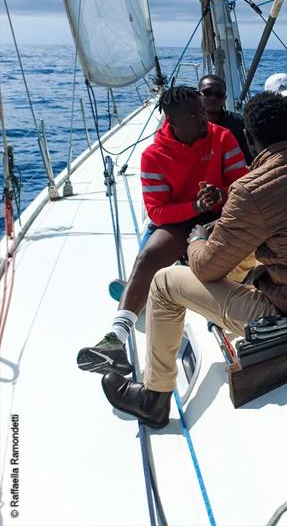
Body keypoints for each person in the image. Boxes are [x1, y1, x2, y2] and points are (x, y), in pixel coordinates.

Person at [100, 92, 287, 428]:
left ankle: (153, 398)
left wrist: (197, 239)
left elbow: (205, 266)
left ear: (249, 138)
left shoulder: (250, 190)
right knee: (241, 248)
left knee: (164, 282)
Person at [76, 86, 248, 376]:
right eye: (194, 114)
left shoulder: (222, 136)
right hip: (183, 219)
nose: (203, 118)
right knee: (149, 257)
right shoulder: (153, 155)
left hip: (223, 211)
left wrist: (221, 194)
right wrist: (195, 206)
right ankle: (115, 338)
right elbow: (157, 212)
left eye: (202, 111)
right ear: (172, 120)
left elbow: (241, 182)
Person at [198, 74, 253, 164]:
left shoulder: (239, 123)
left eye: (219, 94)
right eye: (207, 92)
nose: (213, 98)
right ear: (198, 95)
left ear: (224, 98)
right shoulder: (189, 125)